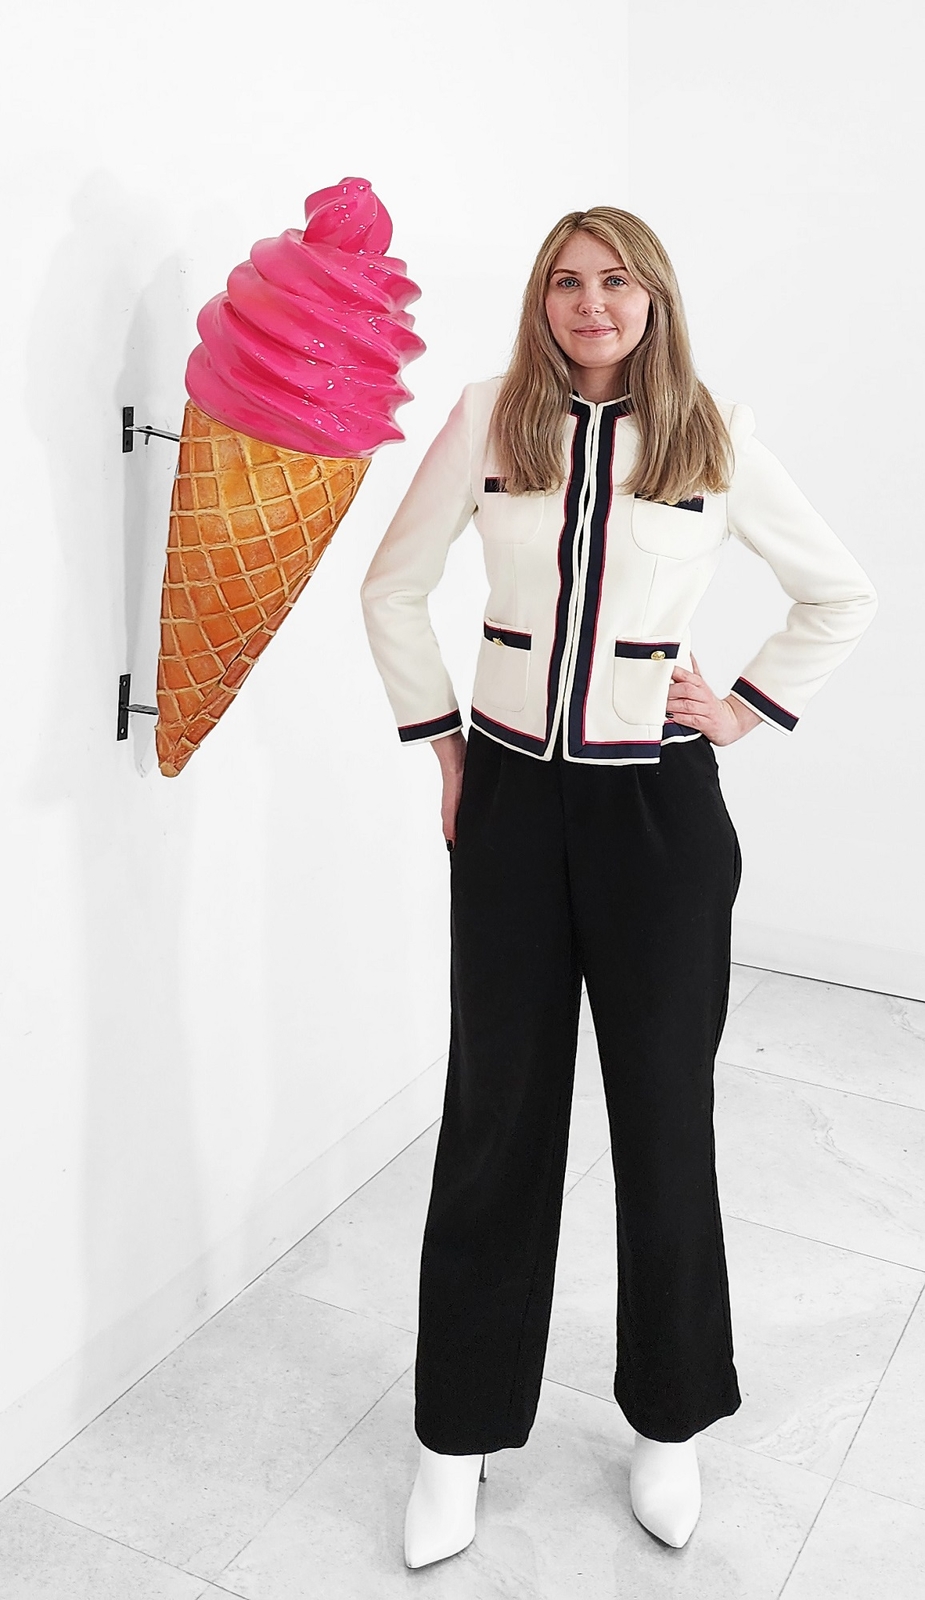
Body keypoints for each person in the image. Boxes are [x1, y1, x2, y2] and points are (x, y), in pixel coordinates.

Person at [360, 206, 877, 1569]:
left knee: (662, 1121)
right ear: (542, 300)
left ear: (654, 299)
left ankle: (668, 1422)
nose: (590, 303)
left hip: (658, 816)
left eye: (616, 281)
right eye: (567, 282)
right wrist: (446, 748)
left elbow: (840, 593)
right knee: (495, 1119)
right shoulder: (488, 417)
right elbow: (391, 589)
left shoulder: (710, 431)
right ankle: (455, 1435)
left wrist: (741, 707)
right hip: (511, 807)